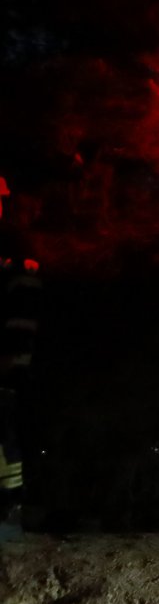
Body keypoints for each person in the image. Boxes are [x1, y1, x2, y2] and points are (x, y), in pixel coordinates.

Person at [0, 177, 40, 520]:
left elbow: (22, 309)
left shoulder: (14, 247)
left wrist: (12, 357)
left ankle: (10, 504)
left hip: (9, 364)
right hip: (11, 360)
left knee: (6, 435)